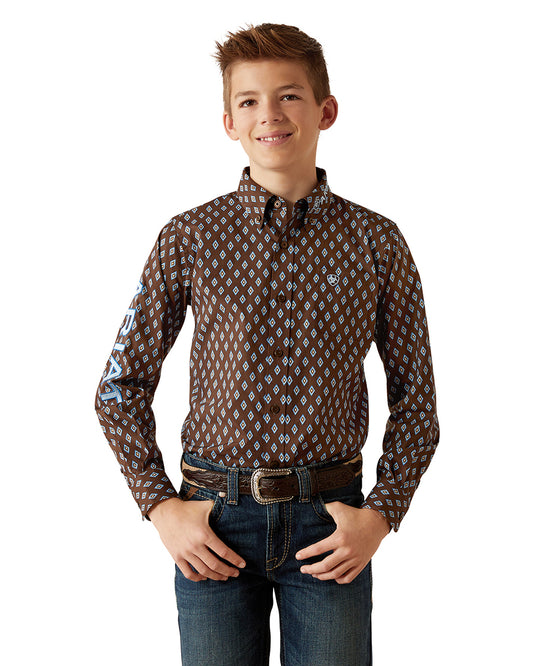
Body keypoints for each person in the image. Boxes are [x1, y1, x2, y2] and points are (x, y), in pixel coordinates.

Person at [95, 22, 440, 666]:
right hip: (214, 525)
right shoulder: (190, 237)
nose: (270, 115)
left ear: (325, 110)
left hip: (329, 528)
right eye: (249, 100)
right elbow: (119, 387)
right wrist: (161, 506)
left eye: (289, 96)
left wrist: (380, 515)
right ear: (229, 122)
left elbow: (417, 400)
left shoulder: (376, 242)